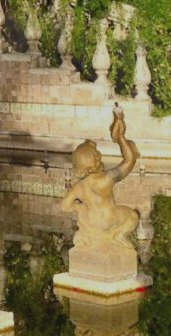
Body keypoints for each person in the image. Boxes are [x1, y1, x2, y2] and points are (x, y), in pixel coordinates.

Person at [60, 104, 139, 249]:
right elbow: (129, 160)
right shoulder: (106, 179)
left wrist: (81, 208)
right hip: (109, 219)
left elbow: (65, 206)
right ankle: (119, 235)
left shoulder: (78, 187)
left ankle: (87, 235)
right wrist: (121, 138)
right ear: (96, 159)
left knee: (86, 216)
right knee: (133, 216)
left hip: (91, 221)